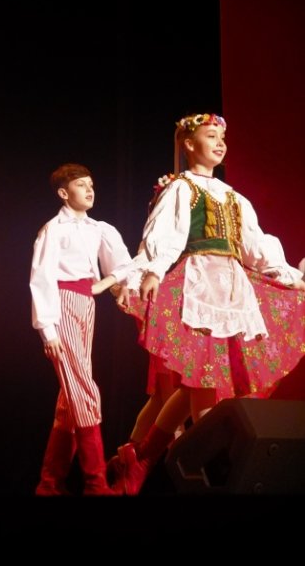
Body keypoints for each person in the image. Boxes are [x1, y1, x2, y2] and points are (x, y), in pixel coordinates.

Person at [112, 113, 305, 495]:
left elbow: (255, 247)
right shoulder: (182, 188)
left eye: (222, 137)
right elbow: (164, 236)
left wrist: (289, 277)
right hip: (199, 287)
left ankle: (145, 456)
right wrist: (152, 272)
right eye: (211, 135)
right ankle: (209, 469)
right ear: (188, 143)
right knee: (203, 383)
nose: (220, 143)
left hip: (233, 291)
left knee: (201, 382)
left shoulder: (234, 198)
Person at [29, 163, 134, 495]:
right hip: (61, 302)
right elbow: (41, 278)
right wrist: (48, 330)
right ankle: (96, 483)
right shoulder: (53, 230)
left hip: (86, 305)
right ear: (64, 192)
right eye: (81, 185)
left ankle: (49, 485)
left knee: (69, 400)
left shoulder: (98, 229)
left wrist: (109, 284)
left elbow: (124, 265)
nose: (89, 190)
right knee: (84, 391)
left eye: (91, 184)